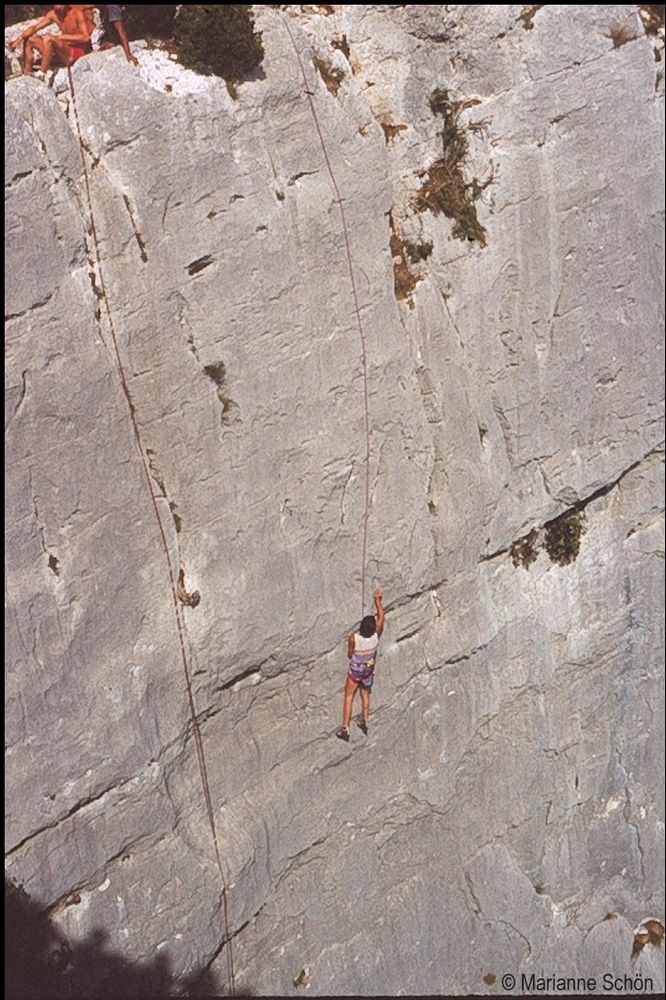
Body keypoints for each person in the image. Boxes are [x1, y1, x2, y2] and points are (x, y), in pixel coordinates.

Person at [336, 589, 386, 742]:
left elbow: (350, 652)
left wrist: (353, 655)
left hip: (356, 671)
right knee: (365, 694)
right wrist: (378, 600)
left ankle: (345, 727)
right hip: (368, 671)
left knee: (349, 696)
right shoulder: (375, 638)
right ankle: (364, 719)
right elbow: (382, 617)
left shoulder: (354, 638)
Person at [10, 5, 93, 76]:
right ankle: (27, 73)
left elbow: (85, 37)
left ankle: (42, 73)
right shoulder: (53, 14)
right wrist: (19, 38)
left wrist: (61, 37)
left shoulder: (77, 13)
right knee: (30, 40)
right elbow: (35, 28)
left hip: (74, 52)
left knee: (49, 38)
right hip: (61, 51)